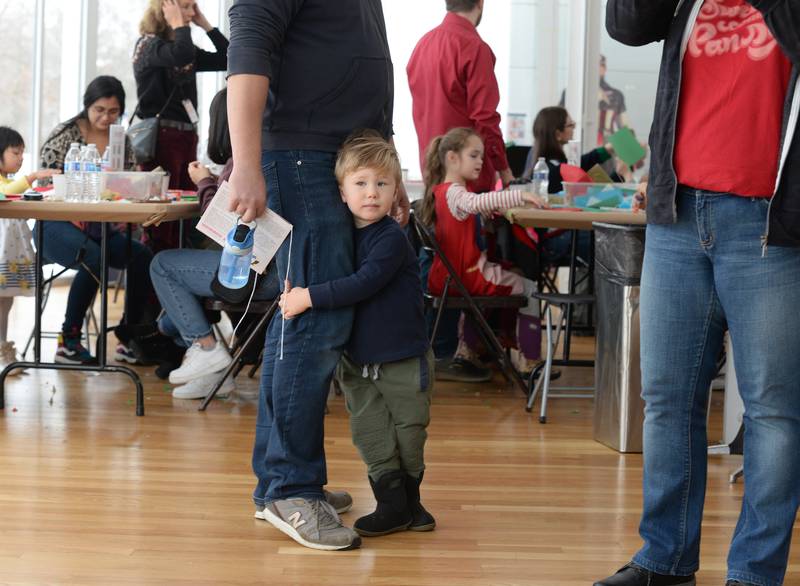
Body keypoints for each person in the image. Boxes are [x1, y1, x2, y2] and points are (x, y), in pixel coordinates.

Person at [595, 2, 800, 586]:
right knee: (665, 400)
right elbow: (626, 23)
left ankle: (755, 575)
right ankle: (665, 560)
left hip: (769, 224)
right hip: (678, 214)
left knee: (775, 412)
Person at [226, 0, 406, 551]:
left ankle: (277, 484)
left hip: (337, 157)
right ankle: (291, 487)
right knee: (315, 321)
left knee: (297, 317)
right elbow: (248, 53)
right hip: (301, 156)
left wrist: (386, 167)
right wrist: (247, 164)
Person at [280, 133, 436, 538]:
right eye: (361, 183)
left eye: (382, 184)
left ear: (396, 190)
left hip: (402, 357)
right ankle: (394, 503)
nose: (372, 193)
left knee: (409, 430)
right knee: (369, 432)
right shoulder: (341, 236)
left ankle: (407, 503)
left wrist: (308, 297)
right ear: (342, 192)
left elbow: (363, 282)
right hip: (358, 359)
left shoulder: (390, 239)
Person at [149, 88, 279, 399]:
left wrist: (205, 183)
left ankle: (204, 348)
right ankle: (215, 372)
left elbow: (222, 222)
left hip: (256, 273)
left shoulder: (245, 162)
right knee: (176, 296)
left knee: (162, 265)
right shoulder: (275, 152)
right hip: (275, 268)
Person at [407, 0, 512, 382]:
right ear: (480, 4)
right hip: (468, 186)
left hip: (432, 179)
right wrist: (502, 168)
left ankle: (438, 348)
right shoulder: (474, 48)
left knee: (436, 261)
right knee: (471, 264)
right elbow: (485, 119)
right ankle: (466, 349)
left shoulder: (423, 45)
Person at [38, 76, 155, 366]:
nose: (105, 117)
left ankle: (130, 337)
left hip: (100, 225)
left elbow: (127, 183)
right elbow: (44, 184)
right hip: (56, 226)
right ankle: (69, 341)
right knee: (94, 258)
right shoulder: (65, 134)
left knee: (142, 257)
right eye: (99, 109)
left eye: (113, 111)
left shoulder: (121, 140)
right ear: (87, 106)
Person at [421, 127, 546, 371]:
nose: (481, 161)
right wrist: (519, 196)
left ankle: (469, 349)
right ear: (452, 158)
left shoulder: (442, 191)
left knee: (508, 277)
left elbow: (470, 208)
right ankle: (531, 360)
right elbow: (475, 202)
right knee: (530, 288)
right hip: (466, 277)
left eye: (481, 156)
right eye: (474, 155)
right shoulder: (456, 193)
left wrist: (484, 214)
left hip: (448, 278)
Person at [133, 0, 228, 250]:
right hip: (161, 139)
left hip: (185, 137)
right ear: (165, 8)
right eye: (185, 6)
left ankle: (175, 268)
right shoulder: (148, 46)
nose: (190, 13)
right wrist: (178, 23)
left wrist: (205, 25)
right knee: (161, 217)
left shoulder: (182, 48)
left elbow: (228, 58)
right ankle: (153, 280)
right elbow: (182, 53)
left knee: (184, 213)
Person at [0, 127, 60, 372]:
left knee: (6, 302)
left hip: (10, 252)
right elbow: (4, 193)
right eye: (16, 152)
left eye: (23, 153)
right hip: (3, 251)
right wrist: (33, 177)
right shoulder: (7, 184)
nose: (21, 158)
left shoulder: (10, 181)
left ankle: (3, 347)